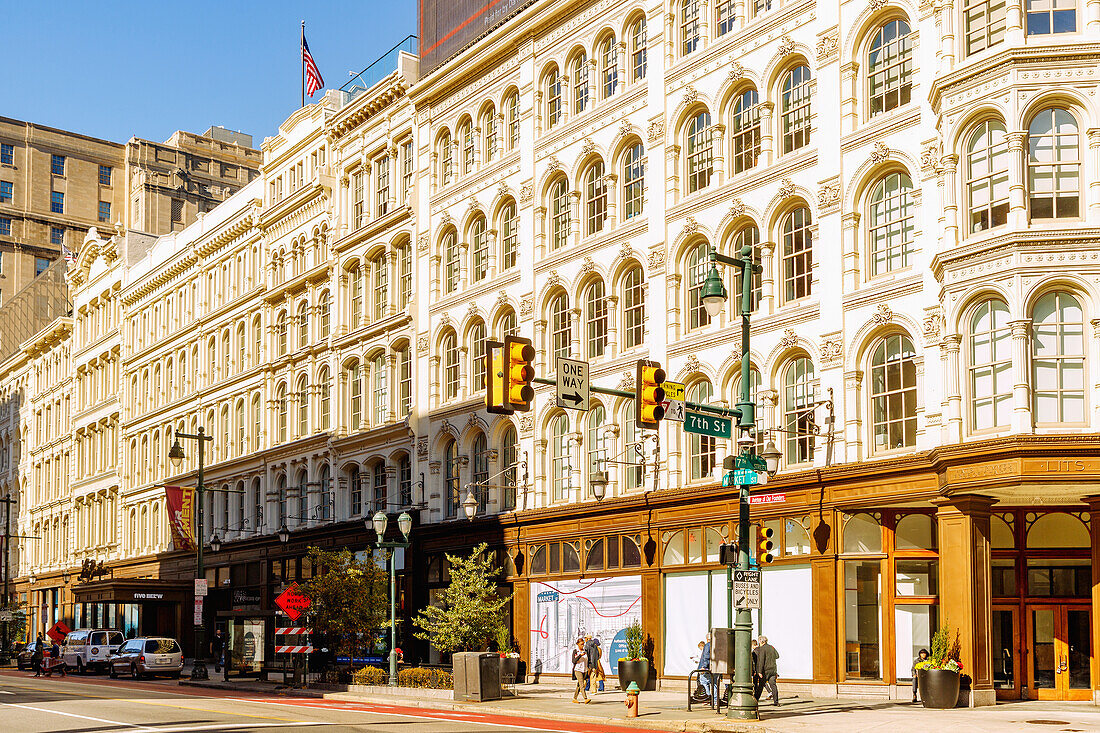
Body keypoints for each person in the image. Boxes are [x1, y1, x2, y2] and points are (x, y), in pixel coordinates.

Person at [754, 636, 780, 706]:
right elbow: (777, 656)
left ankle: (755, 700)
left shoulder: (762, 649)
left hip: (765, 671)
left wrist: (759, 671)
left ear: (761, 641)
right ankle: (776, 702)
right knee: (773, 686)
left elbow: (761, 660)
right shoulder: (772, 647)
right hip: (773, 670)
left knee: (761, 686)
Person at [570, 637, 590, 703]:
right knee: (582, 684)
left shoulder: (585, 651)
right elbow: (574, 661)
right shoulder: (576, 651)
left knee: (579, 685)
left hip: (584, 670)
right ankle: (585, 698)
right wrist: (580, 656)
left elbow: (587, 660)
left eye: (583, 644)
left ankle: (574, 698)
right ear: (578, 644)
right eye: (581, 644)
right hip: (578, 670)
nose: (582, 645)